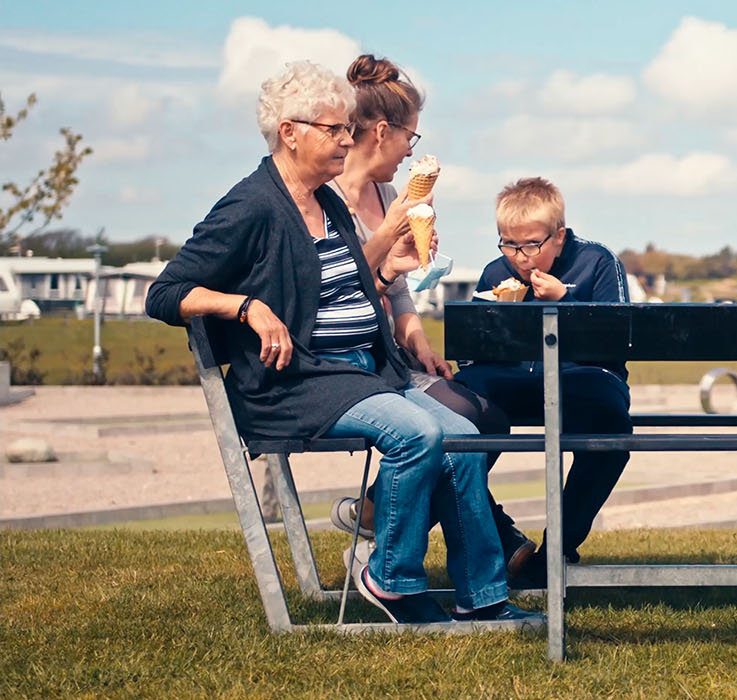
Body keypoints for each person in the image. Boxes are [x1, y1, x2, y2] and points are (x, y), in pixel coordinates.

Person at [145, 61, 535, 624]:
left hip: (364, 370)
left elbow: (347, 286)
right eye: (334, 130)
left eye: (347, 129)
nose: (346, 140)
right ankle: (391, 579)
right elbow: (165, 293)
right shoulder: (252, 206)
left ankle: (484, 595)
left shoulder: (326, 201)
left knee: (464, 435)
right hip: (297, 382)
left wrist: (389, 270)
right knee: (418, 433)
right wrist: (247, 308)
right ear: (290, 132)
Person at [323, 54, 535, 576]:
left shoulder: (389, 193)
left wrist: (418, 339)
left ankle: (374, 514)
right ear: (380, 132)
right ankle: (477, 538)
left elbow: (395, 293)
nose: (411, 150)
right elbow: (339, 292)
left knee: (489, 418)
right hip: (354, 361)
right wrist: (387, 249)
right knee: (465, 423)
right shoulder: (326, 200)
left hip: (394, 354)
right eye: (410, 138)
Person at [455, 177, 632, 589]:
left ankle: (556, 552)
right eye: (508, 245)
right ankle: (503, 537)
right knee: (456, 427)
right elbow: (474, 348)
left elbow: (621, 336)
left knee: (612, 434)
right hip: (511, 380)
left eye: (532, 244)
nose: (520, 257)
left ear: (559, 236)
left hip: (584, 380)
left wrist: (565, 303)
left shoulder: (598, 262)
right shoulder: (494, 273)